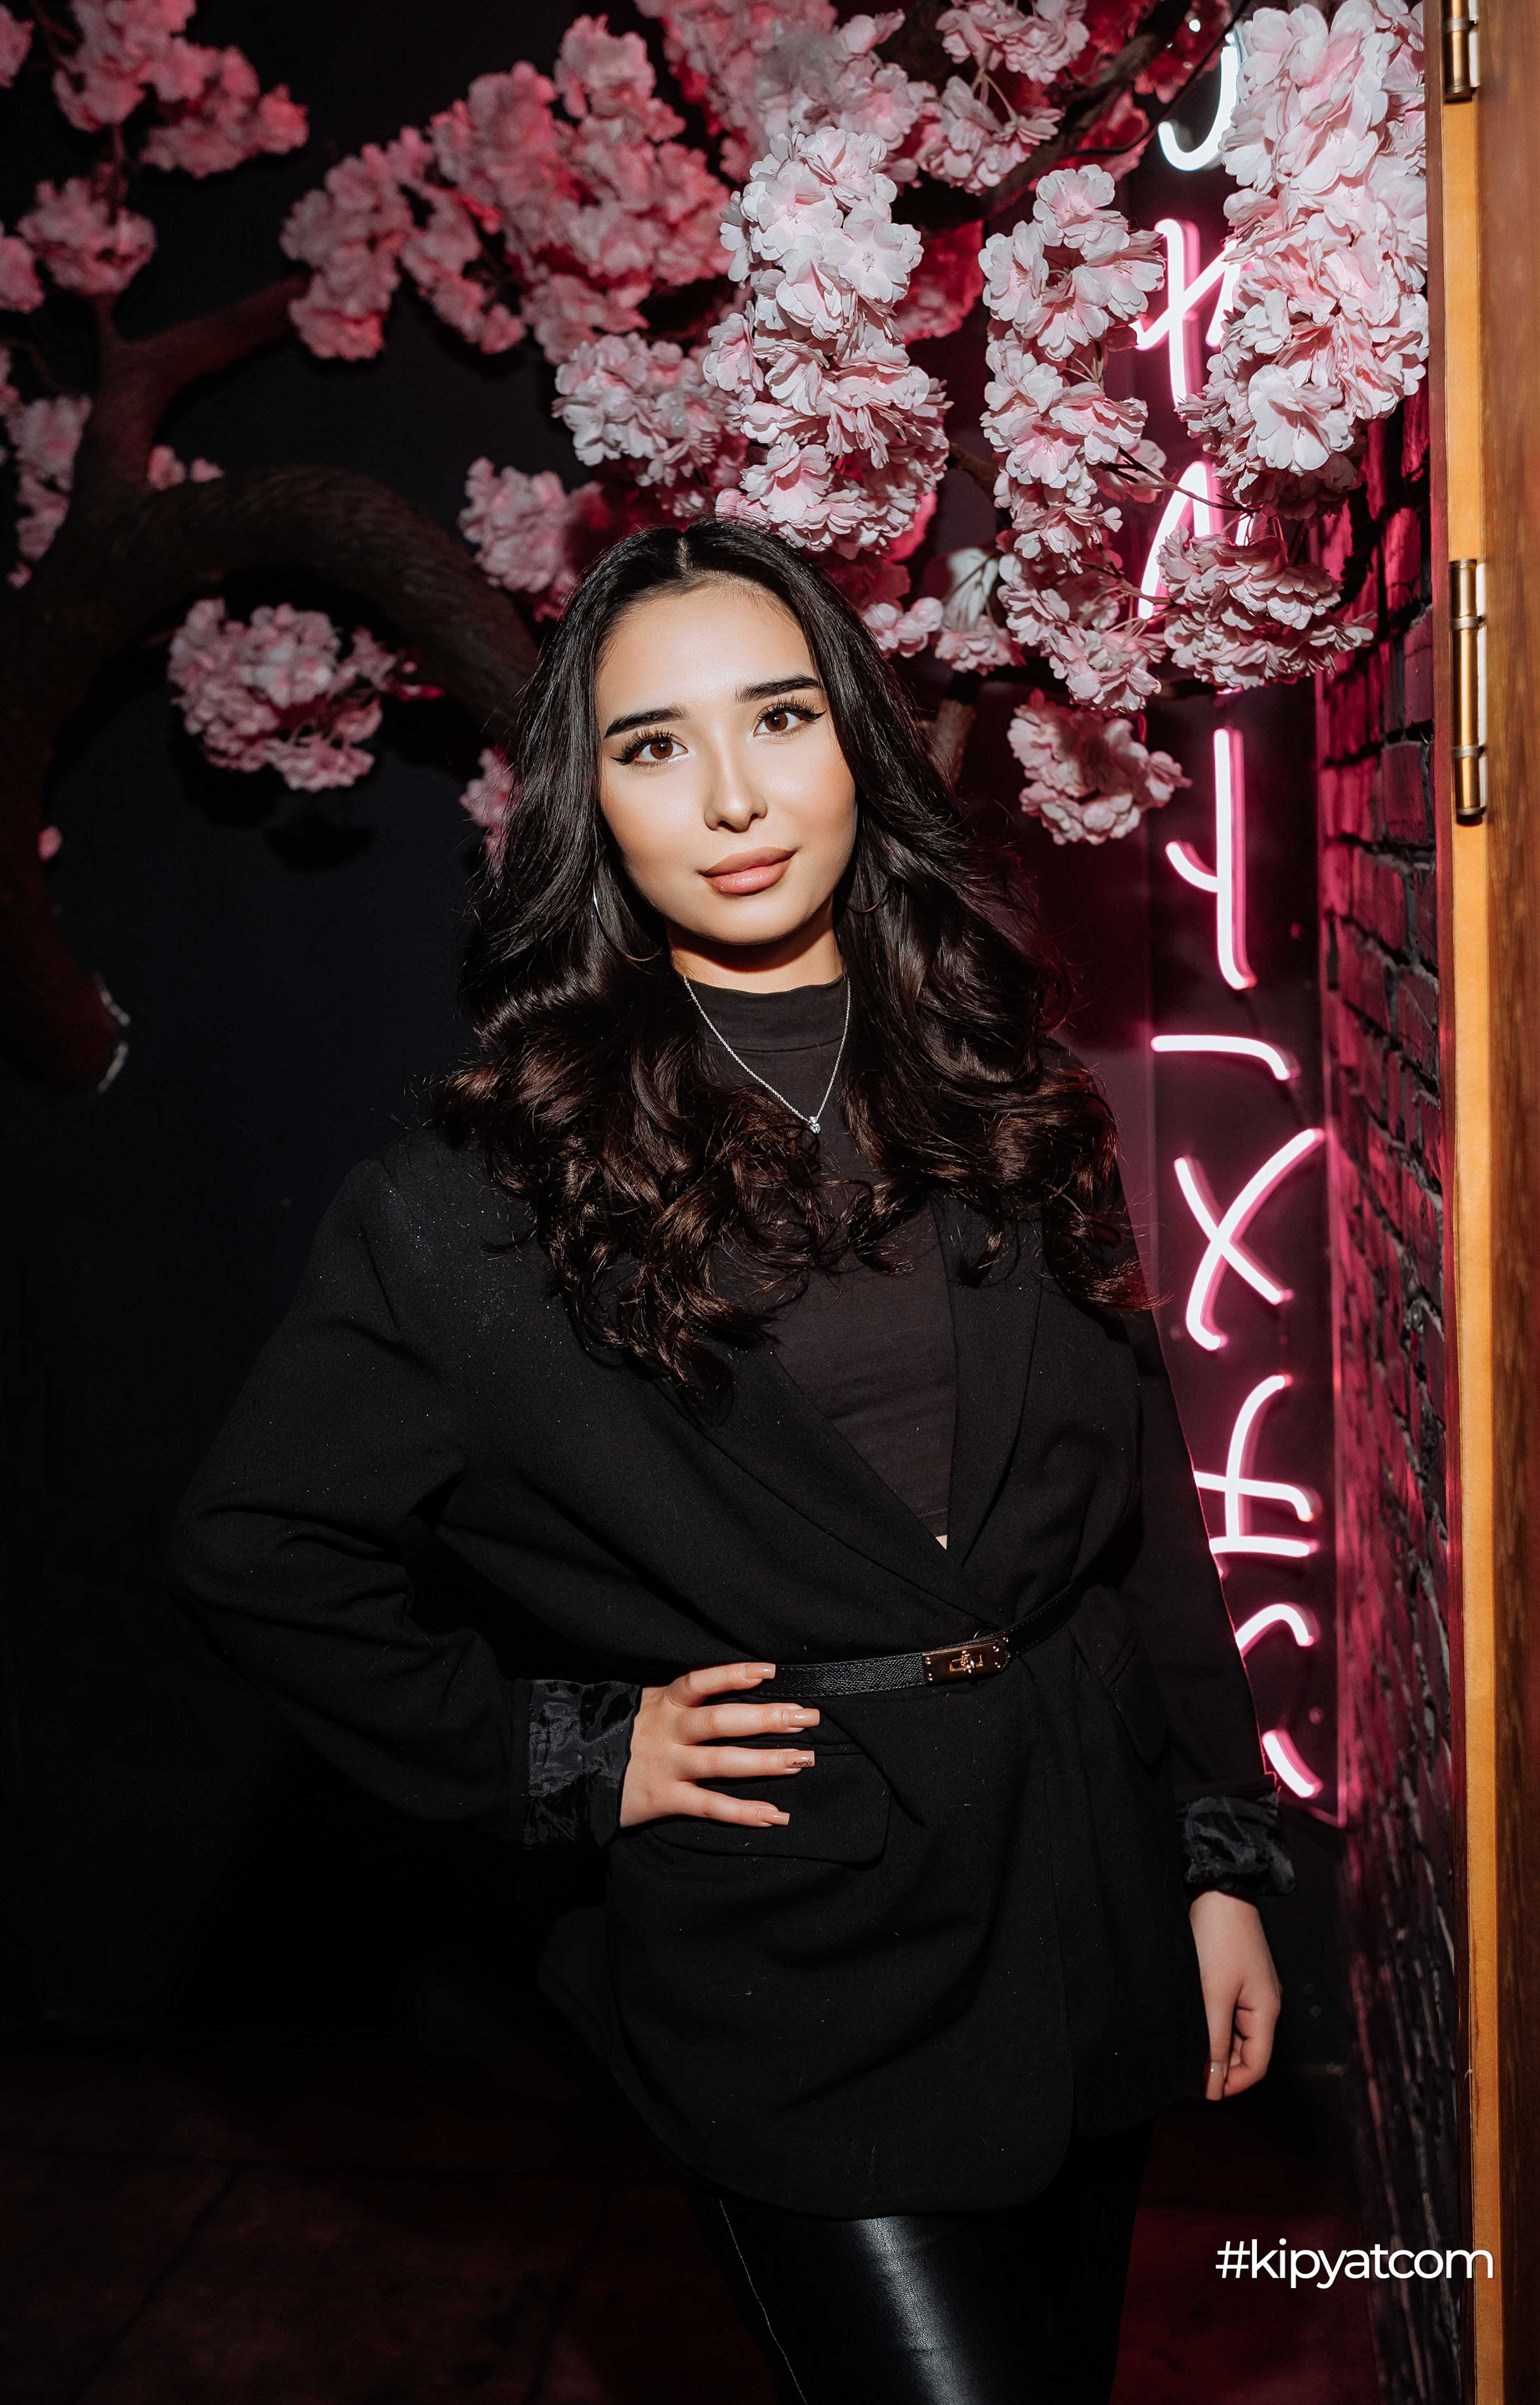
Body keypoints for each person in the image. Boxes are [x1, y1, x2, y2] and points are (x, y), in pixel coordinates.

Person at [168, 518, 1294, 2404]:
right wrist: (562, 1748)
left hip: (1086, 1901)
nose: (734, 796)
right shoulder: (478, 1196)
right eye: (654, 743)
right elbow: (255, 1544)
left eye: (779, 716)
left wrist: (1217, 1855)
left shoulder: (1010, 1085)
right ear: (589, 803)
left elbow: (1142, 1515)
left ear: (858, 738)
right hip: (799, 1965)